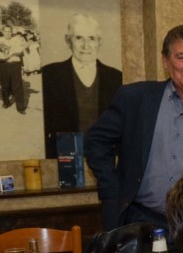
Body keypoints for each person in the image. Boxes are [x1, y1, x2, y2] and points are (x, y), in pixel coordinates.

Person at [85, 23, 183, 233]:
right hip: (137, 221)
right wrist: (111, 188)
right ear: (165, 61)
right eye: (182, 57)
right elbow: (96, 141)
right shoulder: (134, 99)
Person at [41, 13, 123, 157]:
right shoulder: (49, 75)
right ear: (68, 41)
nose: (86, 46)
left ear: (99, 42)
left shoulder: (116, 77)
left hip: (105, 161)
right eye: (78, 38)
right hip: (63, 161)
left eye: (92, 38)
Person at [0, 24, 28, 113]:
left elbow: (22, 50)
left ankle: (21, 107)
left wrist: (17, 51)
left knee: (17, 86)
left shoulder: (17, 39)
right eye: (6, 31)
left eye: (9, 31)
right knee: (5, 85)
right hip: (3, 65)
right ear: (3, 32)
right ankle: (6, 102)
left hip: (15, 64)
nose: (7, 33)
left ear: (12, 32)